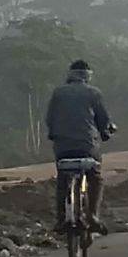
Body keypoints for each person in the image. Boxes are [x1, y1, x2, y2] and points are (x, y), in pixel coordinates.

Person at [45, 60, 113, 235]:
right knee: (95, 177)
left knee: (62, 180)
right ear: (88, 76)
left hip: (63, 148)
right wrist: (105, 133)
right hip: (88, 146)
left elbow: (50, 119)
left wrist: (54, 134)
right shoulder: (94, 93)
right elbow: (103, 121)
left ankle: (61, 219)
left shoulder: (58, 93)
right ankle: (93, 215)